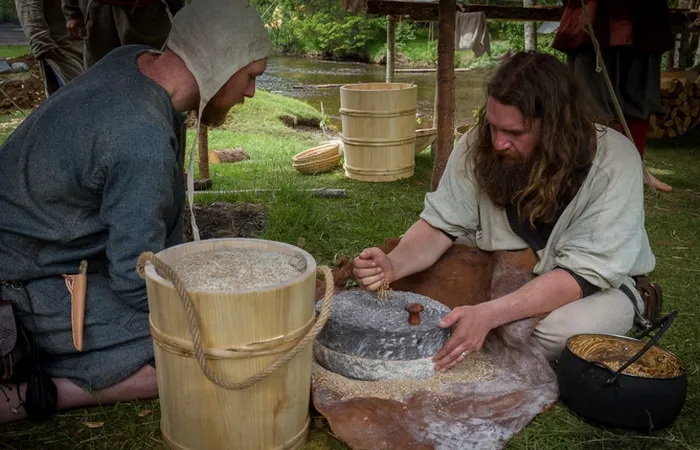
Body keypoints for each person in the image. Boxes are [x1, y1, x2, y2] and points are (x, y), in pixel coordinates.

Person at [0, 0, 270, 424]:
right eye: (250, 76)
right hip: (19, 286)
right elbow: (134, 281)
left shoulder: (131, 60)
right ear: (219, 63)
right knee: (205, 342)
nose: (251, 93)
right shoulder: (140, 139)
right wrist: (215, 305)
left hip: (44, 252)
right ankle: (29, 382)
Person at [353, 52, 658, 372]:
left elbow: (580, 276)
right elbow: (439, 224)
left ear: (556, 128)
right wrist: (393, 264)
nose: (498, 143)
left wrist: (489, 313)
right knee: (424, 290)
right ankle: (484, 322)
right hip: (507, 267)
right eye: (494, 126)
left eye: (514, 134)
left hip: (592, 285)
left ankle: (488, 324)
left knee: (555, 333)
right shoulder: (479, 143)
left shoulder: (615, 162)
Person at [552, 0, 675, 192]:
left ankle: (635, 168)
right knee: (590, 100)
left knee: (639, 96)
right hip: (594, 13)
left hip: (644, 15)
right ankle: (587, 169)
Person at [62, 0, 184, 69]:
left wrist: (180, 14)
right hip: (99, 19)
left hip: (144, 18)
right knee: (102, 76)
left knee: (152, 73)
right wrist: (72, 12)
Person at [14, 0, 84, 96]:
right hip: (61, 49)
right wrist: (42, 44)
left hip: (85, 43)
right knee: (80, 94)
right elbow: (28, 9)